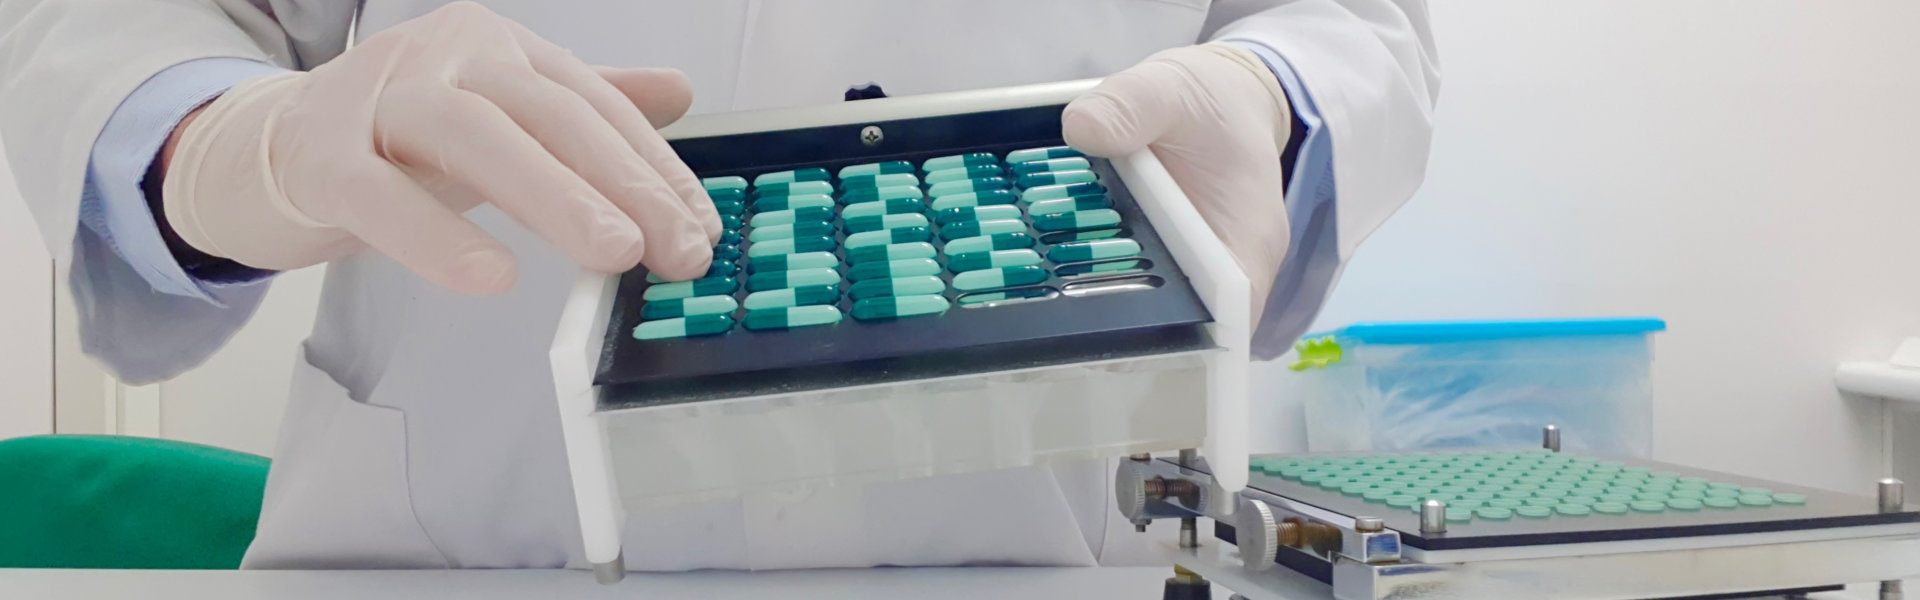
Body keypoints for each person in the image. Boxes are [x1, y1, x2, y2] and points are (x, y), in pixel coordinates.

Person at [0, 0, 1438, 571]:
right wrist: (215, 134)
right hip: (464, 549)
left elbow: (1353, 20)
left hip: (1052, 543)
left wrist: (1280, 96)